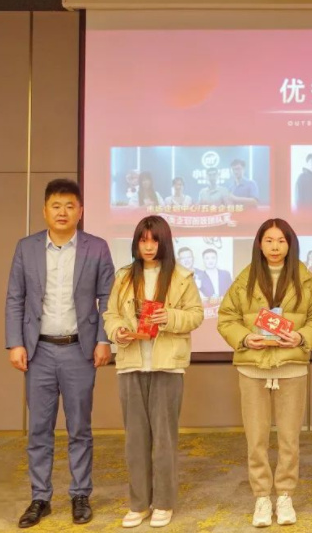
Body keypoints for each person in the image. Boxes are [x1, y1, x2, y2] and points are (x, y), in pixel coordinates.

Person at [5, 179, 115, 528]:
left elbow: (108, 297)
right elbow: (15, 297)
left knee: (80, 428)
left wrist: (104, 339)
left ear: (80, 211)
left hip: (79, 350)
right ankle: (40, 497)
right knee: (39, 429)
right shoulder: (26, 248)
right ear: (45, 211)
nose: (63, 212)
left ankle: (80, 494)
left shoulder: (96, 247)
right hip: (38, 351)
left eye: (70, 206)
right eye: (56, 205)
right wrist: (15, 342)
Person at [218, 219, 312, 527]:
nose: (275, 247)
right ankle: (261, 497)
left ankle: (284, 495)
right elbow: (226, 317)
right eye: (269, 240)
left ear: (290, 244)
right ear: (259, 244)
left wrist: (301, 336)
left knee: (289, 438)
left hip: (291, 367)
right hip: (252, 367)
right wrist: (245, 338)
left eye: (281, 241)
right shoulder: (245, 279)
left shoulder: (305, 279)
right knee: (255, 439)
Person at [102, 215, 204, 528]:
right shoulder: (123, 276)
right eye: (143, 240)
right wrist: (117, 332)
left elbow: (196, 315)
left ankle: (163, 502)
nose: (148, 246)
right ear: (136, 243)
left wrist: (169, 317)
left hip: (167, 365)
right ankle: (138, 504)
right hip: (131, 363)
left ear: (164, 242)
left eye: (154, 240)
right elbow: (110, 314)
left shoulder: (181, 276)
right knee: (135, 439)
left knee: (163, 438)